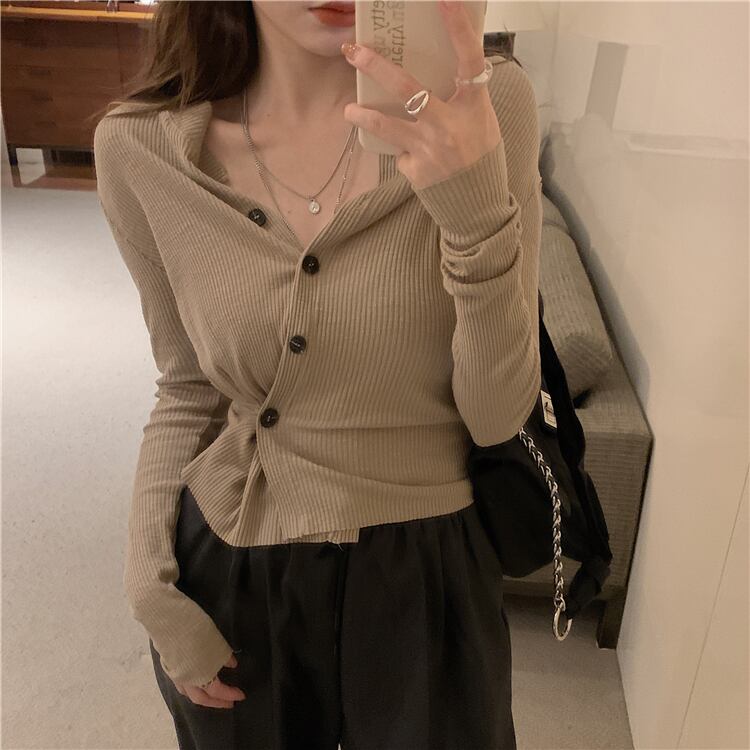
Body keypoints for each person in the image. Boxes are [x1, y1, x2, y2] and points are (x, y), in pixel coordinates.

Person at [94, 1, 543, 748]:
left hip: (428, 574)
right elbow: (187, 386)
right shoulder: (141, 148)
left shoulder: (483, 107)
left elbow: (498, 415)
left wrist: (475, 218)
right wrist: (148, 583)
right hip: (234, 567)